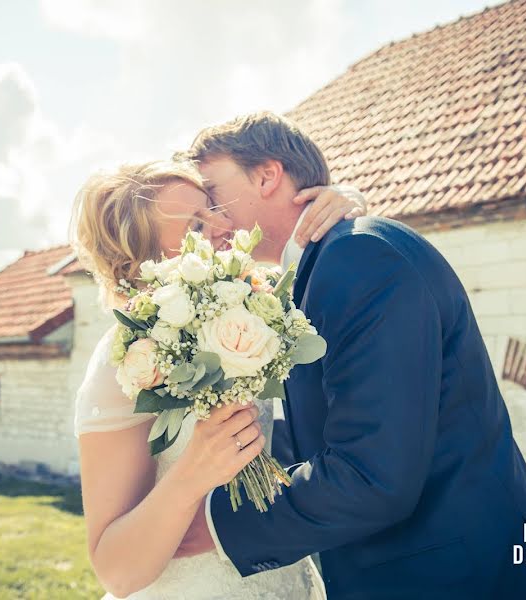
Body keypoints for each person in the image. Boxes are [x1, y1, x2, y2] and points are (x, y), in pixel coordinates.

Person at [172, 112, 526, 600]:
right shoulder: (324, 264)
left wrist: (217, 527)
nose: (211, 216)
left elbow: (372, 473)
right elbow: (331, 426)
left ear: (267, 175)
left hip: (463, 577)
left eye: (213, 191)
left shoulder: (358, 258)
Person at [70, 158, 366, 599]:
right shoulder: (128, 364)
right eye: (195, 225)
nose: (222, 222)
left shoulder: (251, 311)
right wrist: (192, 474)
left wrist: (346, 204)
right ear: (145, 264)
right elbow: (116, 571)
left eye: (211, 206)